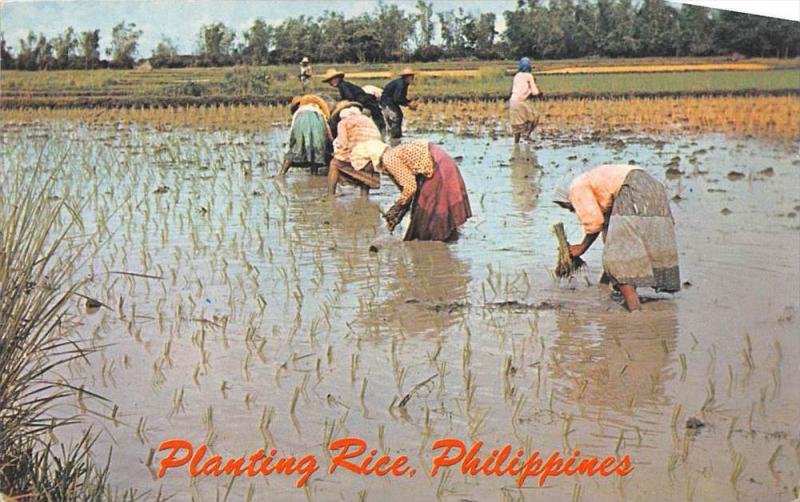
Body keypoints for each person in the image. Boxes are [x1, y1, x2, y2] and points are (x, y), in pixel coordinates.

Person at [553, 164, 680, 311]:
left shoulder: (576, 188)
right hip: (653, 187)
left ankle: (635, 312)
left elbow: (595, 223)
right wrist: (602, 287)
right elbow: (606, 231)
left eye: (567, 206)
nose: (571, 210)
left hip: (632, 188)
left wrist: (581, 248)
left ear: (568, 197)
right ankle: (617, 295)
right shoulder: (599, 188)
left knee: (617, 260)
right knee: (628, 249)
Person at [350, 139, 472, 241]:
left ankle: (436, 249)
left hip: (438, 166)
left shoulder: (390, 159)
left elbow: (410, 188)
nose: (367, 171)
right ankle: (444, 240)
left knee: (428, 213)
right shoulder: (389, 160)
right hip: (438, 163)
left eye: (365, 167)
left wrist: (395, 208)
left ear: (371, 159)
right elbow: (408, 193)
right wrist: (398, 215)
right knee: (422, 212)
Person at [327, 101, 383, 196]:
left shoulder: (343, 123)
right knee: (366, 171)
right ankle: (364, 197)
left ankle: (330, 195)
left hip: (359, 153)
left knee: (334, 164)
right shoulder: (368, 120)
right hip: (375, 155)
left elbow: (343, 143)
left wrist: (337, 153)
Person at [321, 68, 386, 136]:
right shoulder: (344, 85)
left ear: (337, 78)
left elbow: (350, 98)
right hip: (365, 101)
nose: (330, 83)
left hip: (364, 102)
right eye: (329, 81)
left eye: (331, 80)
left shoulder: (343, 86)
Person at [280, 95, 332, 176]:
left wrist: (289, 144)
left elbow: (292, 131)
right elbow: (327, 131)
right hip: (318, 122)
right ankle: (314, 174)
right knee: (317, 148)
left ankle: (281, 174)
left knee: (295, 147)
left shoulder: (299, 112)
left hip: (301, 122)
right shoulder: (319, 112)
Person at [509, 57, 542, 144]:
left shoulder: (516, 76)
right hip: (521, 101)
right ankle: (527, 135)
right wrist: (538, 93)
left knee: (517, 125)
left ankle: (516, 144)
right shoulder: (529, 76)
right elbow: (535, 92)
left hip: (512, 101)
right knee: (535, 117)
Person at [381, 67, 418, 142]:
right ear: (407, 77)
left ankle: (395, 136)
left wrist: (408, 102)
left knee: (397, 116)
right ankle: (395, 138)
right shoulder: (401, 84)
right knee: (396, 116)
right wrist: (408, 103)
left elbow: (400, 97)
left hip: (389, 101)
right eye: (411, 76)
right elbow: (397, 98)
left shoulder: (403, 83)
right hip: (387, 102)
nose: (413, 78)